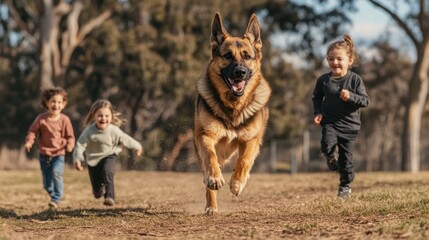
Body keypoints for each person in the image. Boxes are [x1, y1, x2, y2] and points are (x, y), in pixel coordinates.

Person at [312, 35, 370, 199]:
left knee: (346, 160)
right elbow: (316, 97)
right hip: (330, 122)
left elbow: (365, 101)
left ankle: (345, 186)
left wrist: (351, 96)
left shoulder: (355, 80)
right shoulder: (323, 81)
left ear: (350, 60)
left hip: (350, 127)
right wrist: (318, 113)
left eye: (339, 59)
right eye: (331, 59)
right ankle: (330, 158)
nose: (334, 62)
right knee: (326, 144)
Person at [73, 99, 142, 206]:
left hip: (109, 155)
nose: (103, 118)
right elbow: (80, 145)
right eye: (100, 115)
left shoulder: (113, 130)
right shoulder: (89, 131)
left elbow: (125, 138)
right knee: (96, 192)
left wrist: (137, 146)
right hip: (93, 160)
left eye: (107, 115)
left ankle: (110, 197)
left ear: (111, 117)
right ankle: (99, 191)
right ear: (93, 116)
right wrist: (78, 158)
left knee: (107, 172)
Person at [25, 87, 75, 209]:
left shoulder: (65, 120)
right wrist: (29, 142)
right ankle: (52, 193)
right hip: (44, 154)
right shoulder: (41, 119)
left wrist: (70, 145)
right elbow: (32, 131)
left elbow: (70, 136)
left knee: (56, 173)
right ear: (46, 103)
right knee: (47, 184)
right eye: (53, 101)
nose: (56, 105)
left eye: (59, 102)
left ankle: (56, 198)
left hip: (59, 154)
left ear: (63, 104)